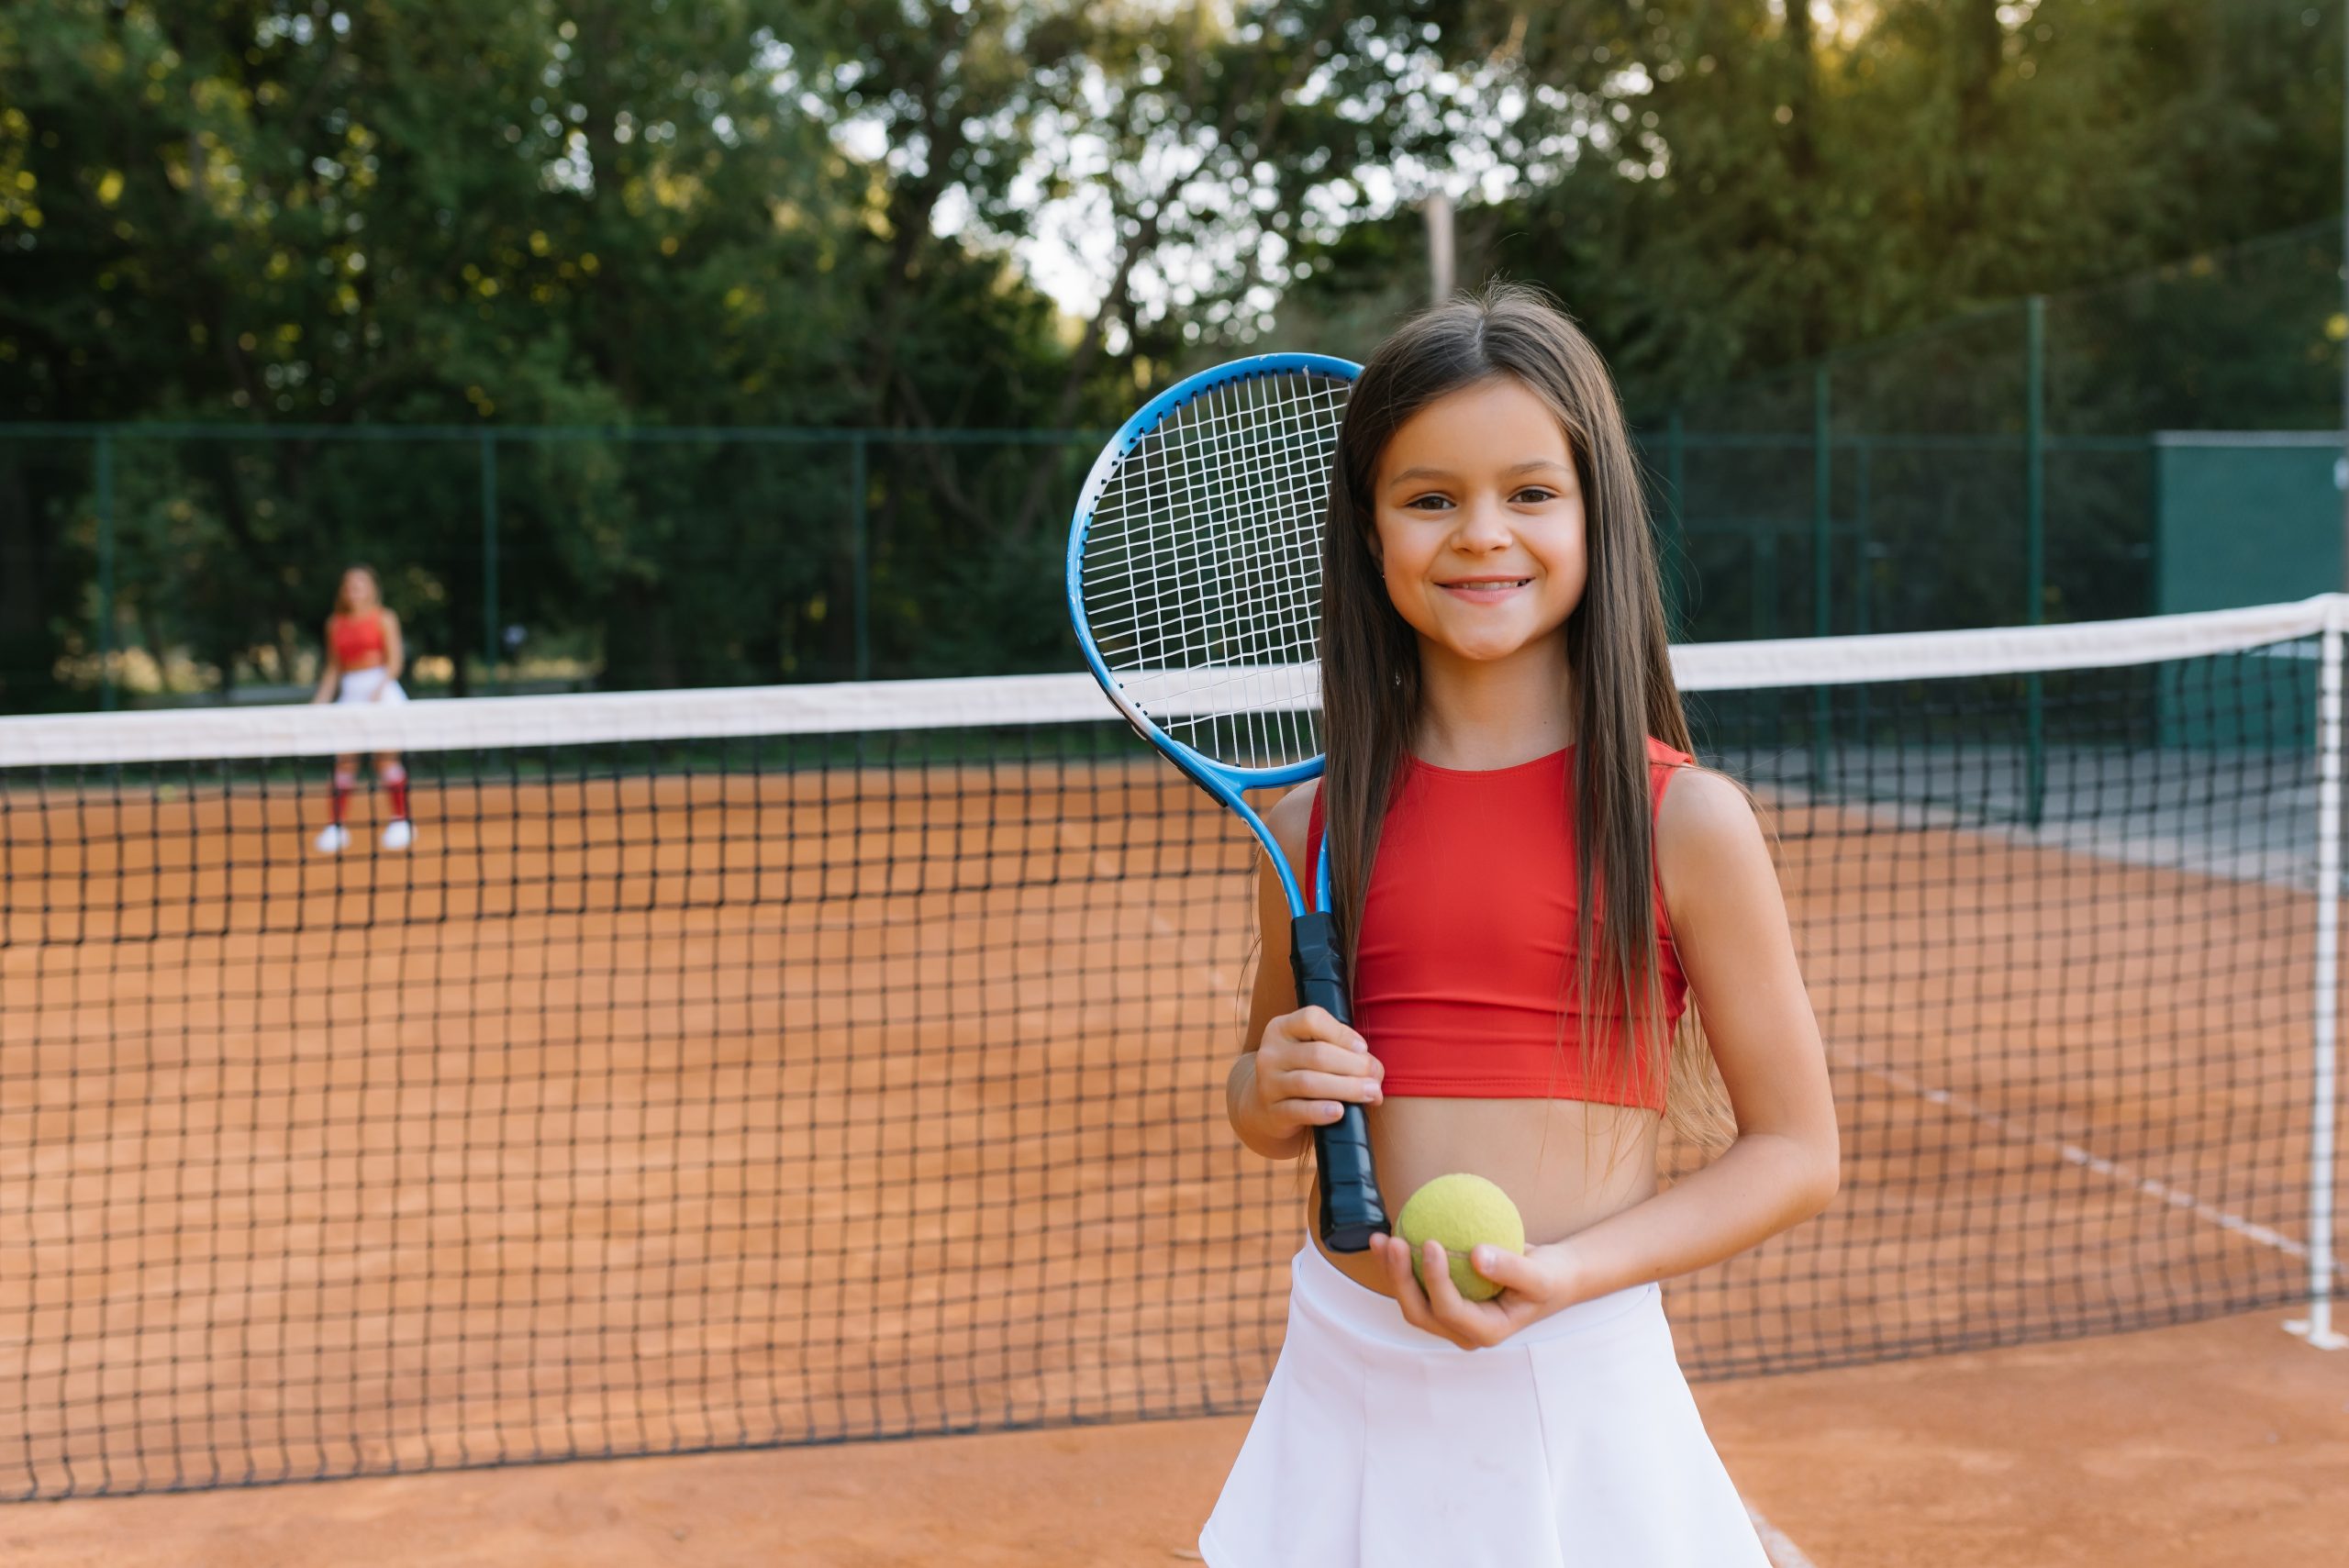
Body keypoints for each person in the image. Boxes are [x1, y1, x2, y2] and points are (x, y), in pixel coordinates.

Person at [1200, 285, 1839, 1566]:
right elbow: (1265, 1103)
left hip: (1577, 1364)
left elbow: (1797, 1151)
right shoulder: (1310, 824)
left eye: (1531, 493)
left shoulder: (1685, 822)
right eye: (1429, 497)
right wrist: (1267, 1085)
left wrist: (1577, 1276)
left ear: (1597, 515)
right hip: (1346, 1367)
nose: (1481, 533)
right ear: (1369, 533)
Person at [308, 563, 416, 852]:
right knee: (345, 761)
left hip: (381, 689)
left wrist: (379, 689)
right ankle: (336, 826)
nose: (353, 591)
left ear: (371, 589)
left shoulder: (384, 618)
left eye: (359, 585)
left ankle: (401, 820)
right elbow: (333, 669)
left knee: (385, 759)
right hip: (351, 692)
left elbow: (394, 661)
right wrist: (319, 703)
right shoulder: (334, 623)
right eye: (348, 586)